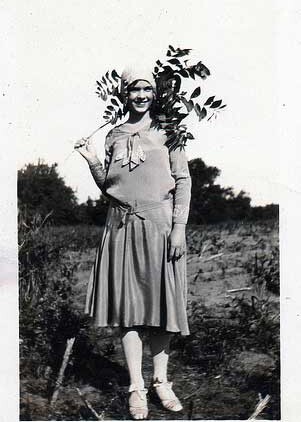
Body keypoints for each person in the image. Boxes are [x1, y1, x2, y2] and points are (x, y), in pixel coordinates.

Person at [74, 66, 191, 420]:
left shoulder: (168, 131)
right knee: (129, 313)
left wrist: (179, 228)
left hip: (160, 225)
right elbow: (110, 188)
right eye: (134, 90)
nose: (140, 95)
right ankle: (136, 389)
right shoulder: (113, 135)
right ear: (124, 94)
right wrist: (93, 159)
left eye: (146, 89)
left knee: (162, 310)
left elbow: (183, 180)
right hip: (121, 227)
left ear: (154, 93)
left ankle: (161, 382)